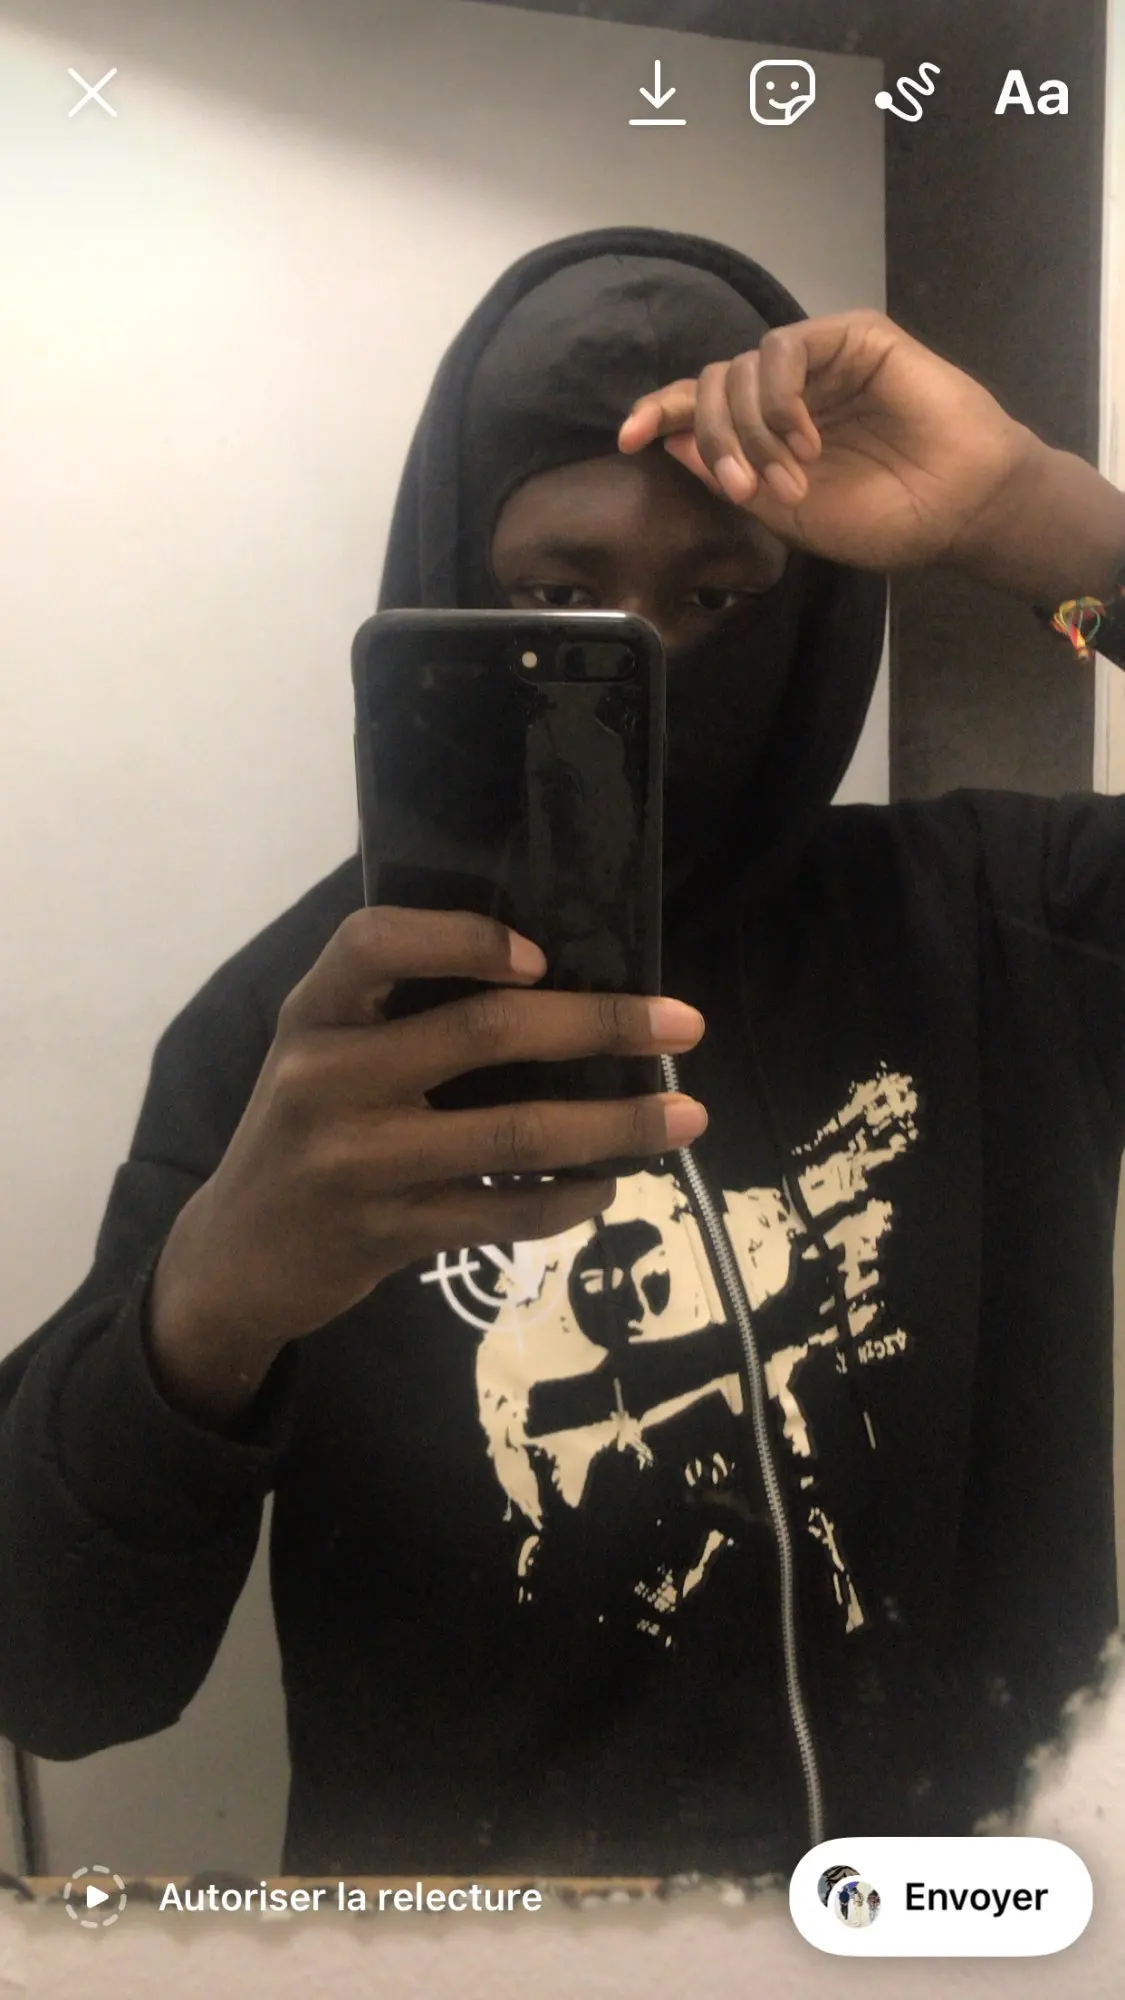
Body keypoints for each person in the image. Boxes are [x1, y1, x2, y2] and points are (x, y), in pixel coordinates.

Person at [2, 225, 1124, 1881]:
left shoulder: (1000, 923)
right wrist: (210, 1310)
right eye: (554, 598)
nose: (643, 663)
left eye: (720, 597)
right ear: (452, 584)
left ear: (813, 617)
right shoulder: (299, 1046)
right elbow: (60, 1674)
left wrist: (1040, 513)